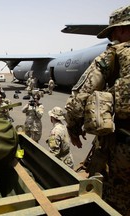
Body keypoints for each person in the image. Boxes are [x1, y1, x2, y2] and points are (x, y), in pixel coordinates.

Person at [64, 5, 130, 215]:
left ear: (121, 30)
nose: (112, 37)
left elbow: (81, 96)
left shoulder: (113, 55)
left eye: (113, 32)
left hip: (123, 149)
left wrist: (73, 128)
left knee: (115, 203)